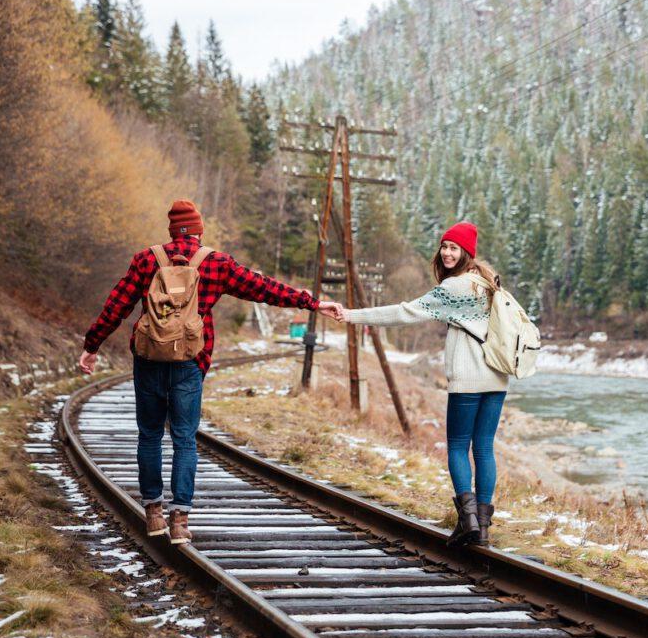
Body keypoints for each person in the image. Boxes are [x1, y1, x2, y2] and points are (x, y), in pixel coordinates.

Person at [78, 200, 343, 544]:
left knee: (149, 435)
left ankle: (154, 512)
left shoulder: (146, 259)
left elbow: (116, 305)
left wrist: (92, 345)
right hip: (190, 362)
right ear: (199, 230)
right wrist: (312, 302)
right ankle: (180, 520)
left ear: (171, 231)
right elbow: (263, 288)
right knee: (185, 439)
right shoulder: (215, 263)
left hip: (149, 360)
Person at [342, 221, 508, 546]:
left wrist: (352, 315)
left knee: (459, 446)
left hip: (468, 378)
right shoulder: (489, 285)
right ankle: (482, 527)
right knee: (485, 447)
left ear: (466, 253)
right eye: (444, 246)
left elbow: (405, 312)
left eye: (453, 248)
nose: (446, 252)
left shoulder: (454, 288)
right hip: (497, 376)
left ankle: (469, 520)